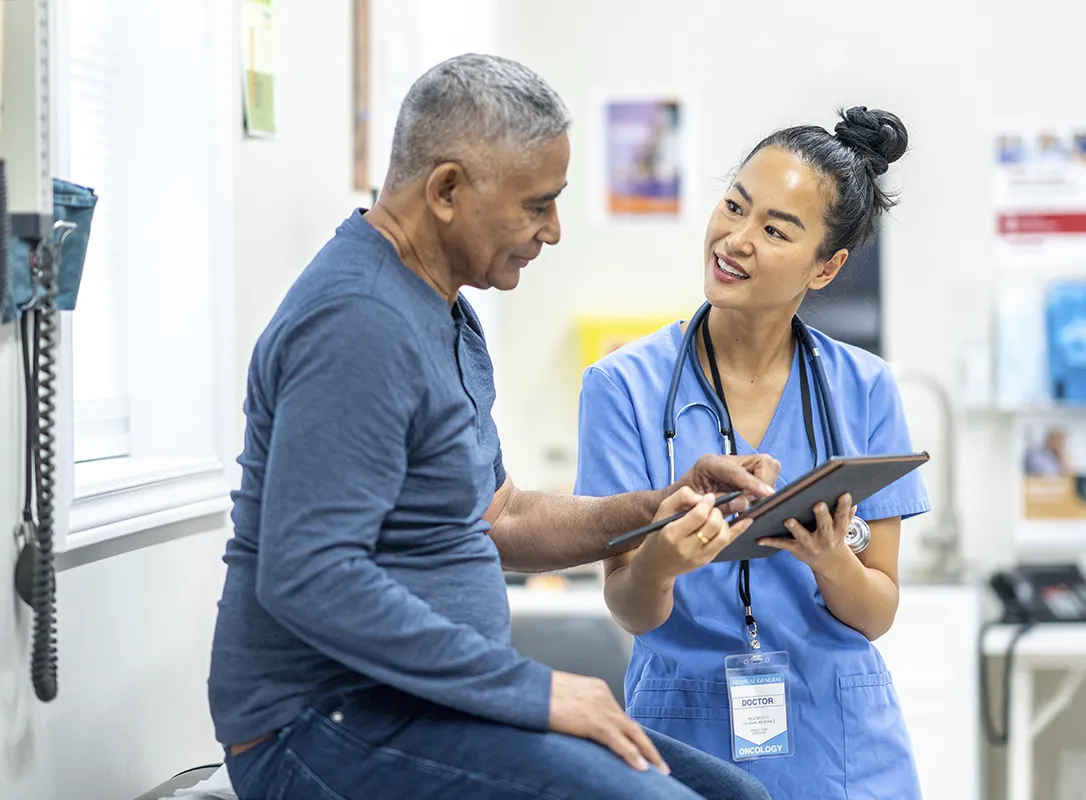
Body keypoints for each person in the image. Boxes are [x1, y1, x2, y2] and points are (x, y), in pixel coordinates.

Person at [208, 53, 780, 800]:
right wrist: (535, 692)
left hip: (418, 708)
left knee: (742, 795)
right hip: (319, 722)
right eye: (536, 204)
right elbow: (309, 575)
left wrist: (655, 508)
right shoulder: (358, 323)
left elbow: (500, 516)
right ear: (446, 189)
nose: (553, 230)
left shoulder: (444, 309)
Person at [573, 107, 932, 798]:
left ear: (826, 267)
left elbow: (877, 610)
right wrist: (662, 560)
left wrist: (830, 561)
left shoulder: (865, 388)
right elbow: (629, 605)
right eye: (734, 205)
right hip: (685, 730)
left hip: (843, 745)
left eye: (774, 229)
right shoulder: (622, 386)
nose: (735, 239)